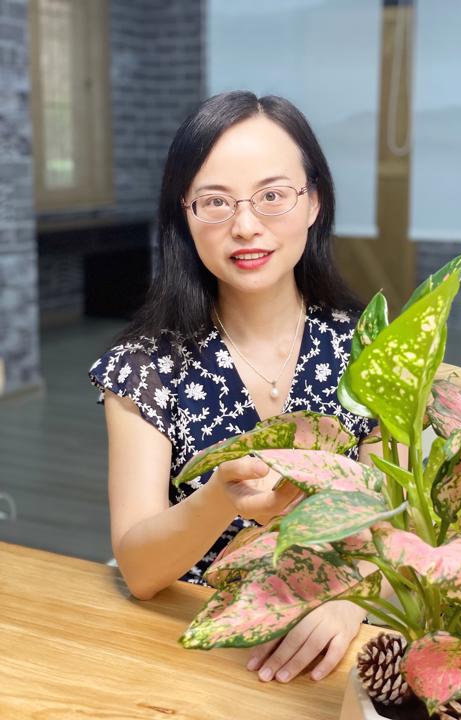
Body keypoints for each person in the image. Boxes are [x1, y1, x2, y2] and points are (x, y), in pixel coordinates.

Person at [89, 91, 388, 685]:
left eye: (272, 195)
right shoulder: (144, 368)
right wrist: (220, 497)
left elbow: (392, 522)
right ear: (185, 215)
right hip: (192, 648)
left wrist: (352, 599)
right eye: (216, 202)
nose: (246, 226)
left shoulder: (369, 347)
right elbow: (140, 571)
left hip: (332, 655)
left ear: (314, 201)